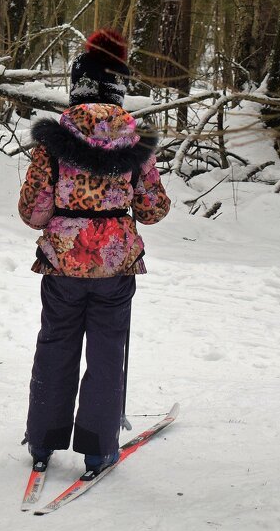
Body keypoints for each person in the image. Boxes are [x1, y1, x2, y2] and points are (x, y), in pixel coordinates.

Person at [18, 28, 171, 479]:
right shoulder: (136, 140)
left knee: (55, 344)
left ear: (77, 87)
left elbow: (33, 210)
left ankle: (43, 442)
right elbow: (152, 208)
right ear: (118, 89)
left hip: (64, 261)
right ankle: (99, 449)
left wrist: (65, 213)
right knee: (108, 350)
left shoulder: (53, 139)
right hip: (116, 263)